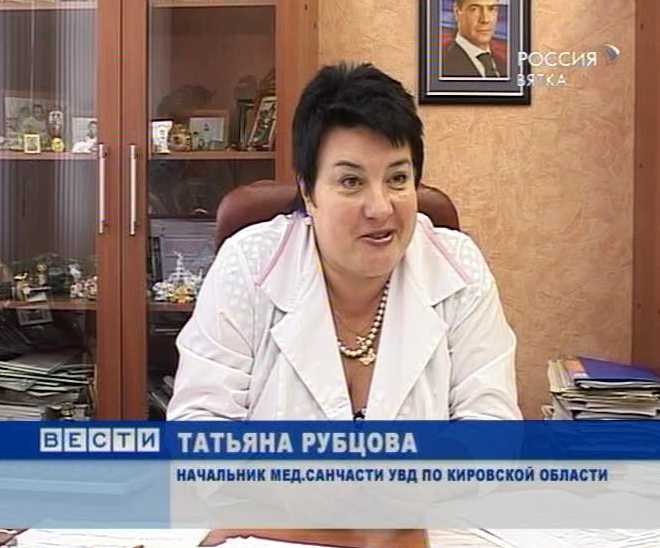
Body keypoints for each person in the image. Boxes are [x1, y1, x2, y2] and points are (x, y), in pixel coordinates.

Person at [167, 62, 520, 421]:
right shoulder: (248, 266)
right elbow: (199, 425)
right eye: (351, 182)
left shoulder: (460, 270)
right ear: (308, 193)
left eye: (398, 178)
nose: (381, 208)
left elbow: (491, 425)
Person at [442, 0, 507, 78]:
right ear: (457, 13)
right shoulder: (441, 65)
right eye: (474, 9)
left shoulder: (503, 64)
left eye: (491, 9)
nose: (485, 19)